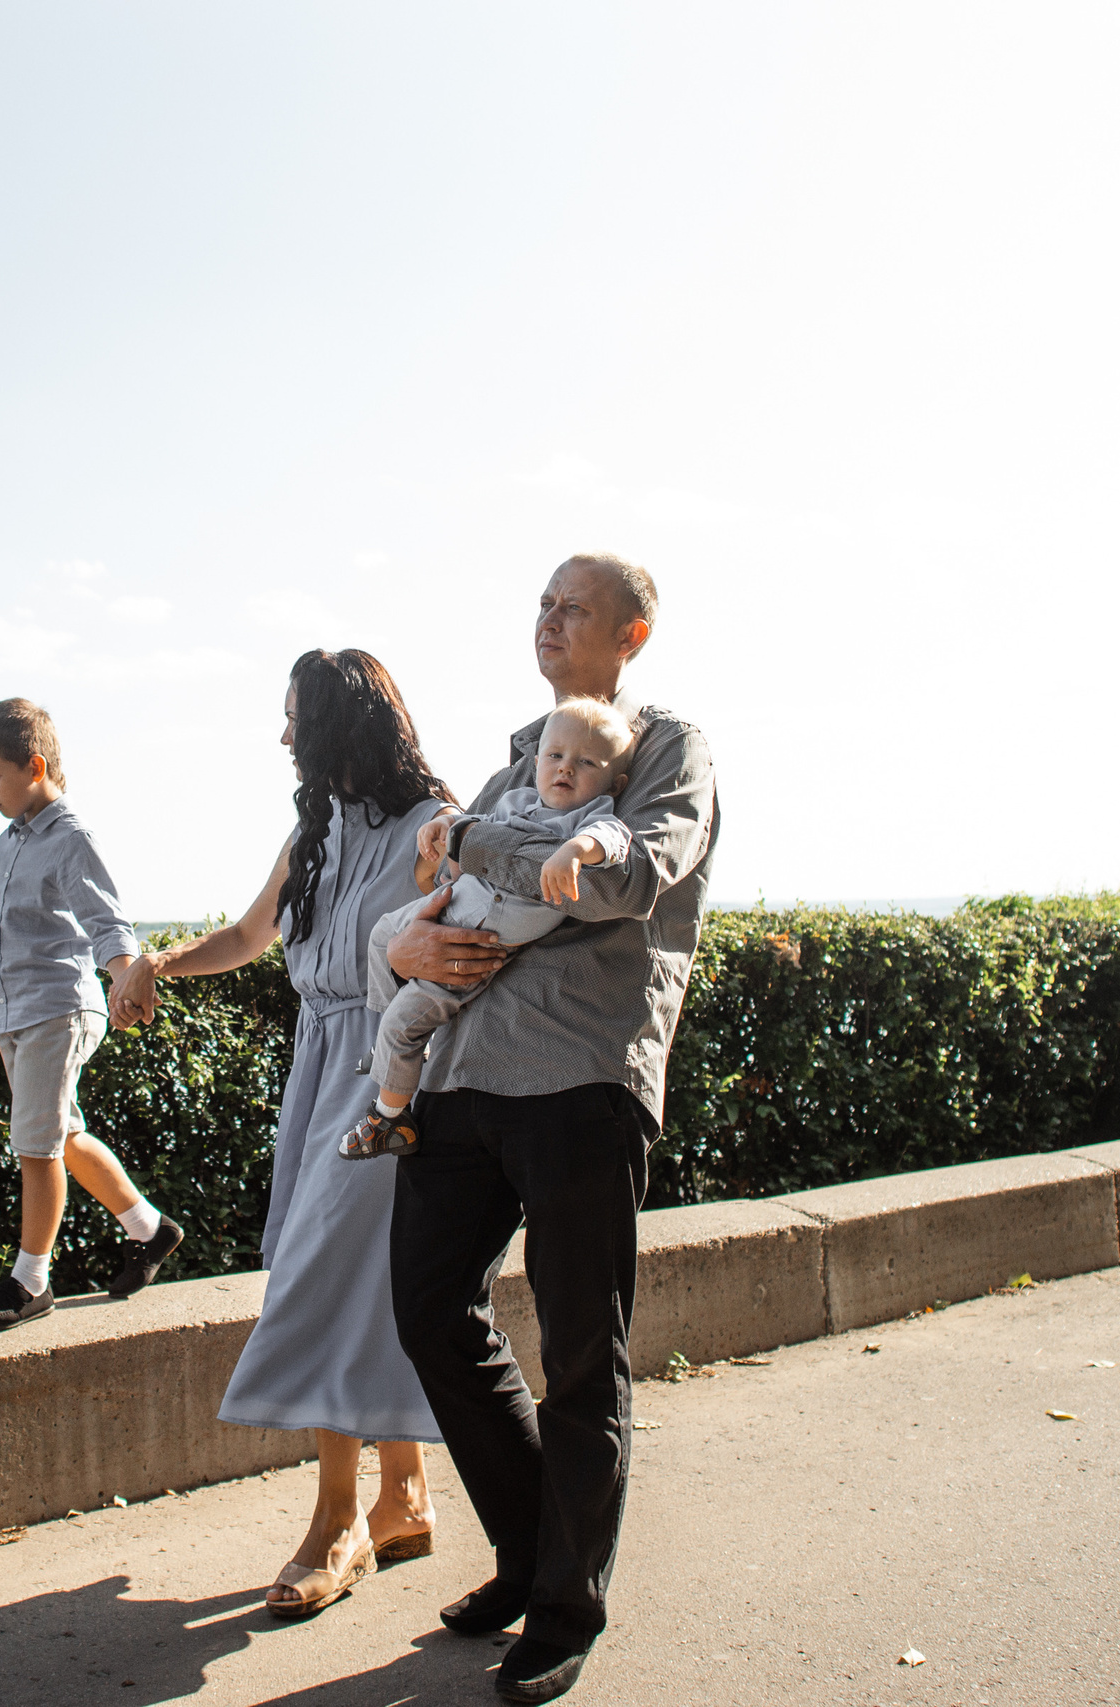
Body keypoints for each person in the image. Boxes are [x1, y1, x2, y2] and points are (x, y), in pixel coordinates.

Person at [380, 554, 717, 1704]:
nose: (548, 618)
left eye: (574, 607)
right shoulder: (518, 755)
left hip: (582, 1075)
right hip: (463, 1075)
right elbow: (437, 894)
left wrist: (472, 842)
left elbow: (623, 881)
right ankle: (530, 1554)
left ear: (631, 635)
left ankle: (566, 1609)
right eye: (541, 602)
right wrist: (402, 943)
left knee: (581, 1354)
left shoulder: (666, 748)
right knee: (428, 1308)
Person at [109, 650, 452, 1618]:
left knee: (321, 1274)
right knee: (360, 1277)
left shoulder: (437, 826)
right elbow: (247, 936)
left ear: (344, 723)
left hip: (390, 1073)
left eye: (296, 716)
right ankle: (404, 1495)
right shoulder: (313, 831)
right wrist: (160, 963)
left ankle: (338, 1521)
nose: (284, 735)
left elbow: (477, 945)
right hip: (318, 1066)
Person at [0, 697, 179, 1334]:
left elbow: (108, 922)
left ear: (34, 767)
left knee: (36, 1146)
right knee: (63, 1133)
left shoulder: (71, 838)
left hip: (60, 1010)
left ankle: (31, 1282)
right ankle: (149, 1228)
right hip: (18, 1012)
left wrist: (127, 978)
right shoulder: (7, 843)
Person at [341, 695, 636, 1160]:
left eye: (586, 762)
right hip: (455, 905)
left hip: (477, 946)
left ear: (614, 783)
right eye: (555, 756)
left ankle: (390, 1120)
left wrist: (574, 851)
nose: (565, 768)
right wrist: (448, 828)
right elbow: (471, 837)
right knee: (382, 936)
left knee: (402, 1026)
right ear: (536, 763)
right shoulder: (516, 799)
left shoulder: (590, 819)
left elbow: (614, 840)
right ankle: (383, 1043)